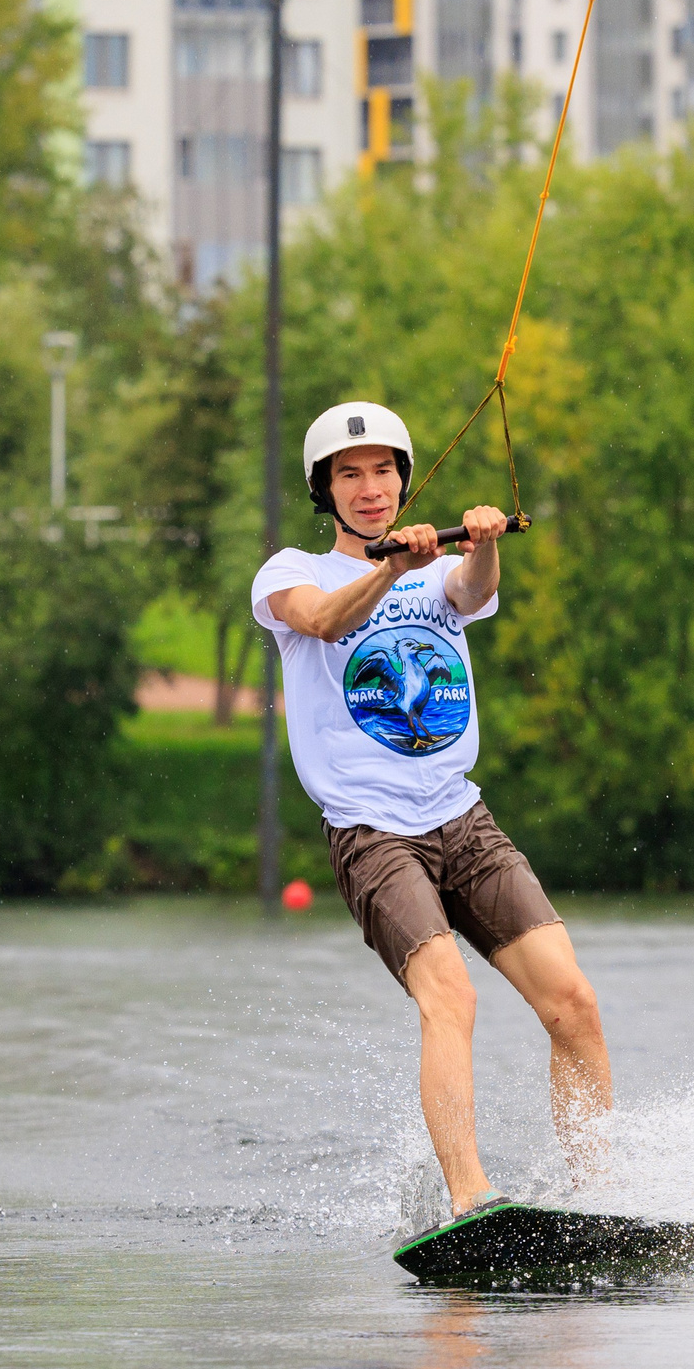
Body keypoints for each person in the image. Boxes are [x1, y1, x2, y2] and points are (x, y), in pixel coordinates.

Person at [252, 401, 612, 1218]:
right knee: (452, 996)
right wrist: (384, 569)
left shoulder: (433, 575)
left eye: (383, 471)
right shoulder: (286, 574)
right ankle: (469, 1200)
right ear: (326, 490)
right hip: (373, 835)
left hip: (463, 819)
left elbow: (471, 590)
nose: (371, 488)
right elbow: (319, 619)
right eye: (350, 475)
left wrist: (482, 545)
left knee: (574, 1002)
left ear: (404, 482)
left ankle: (602, 1198)